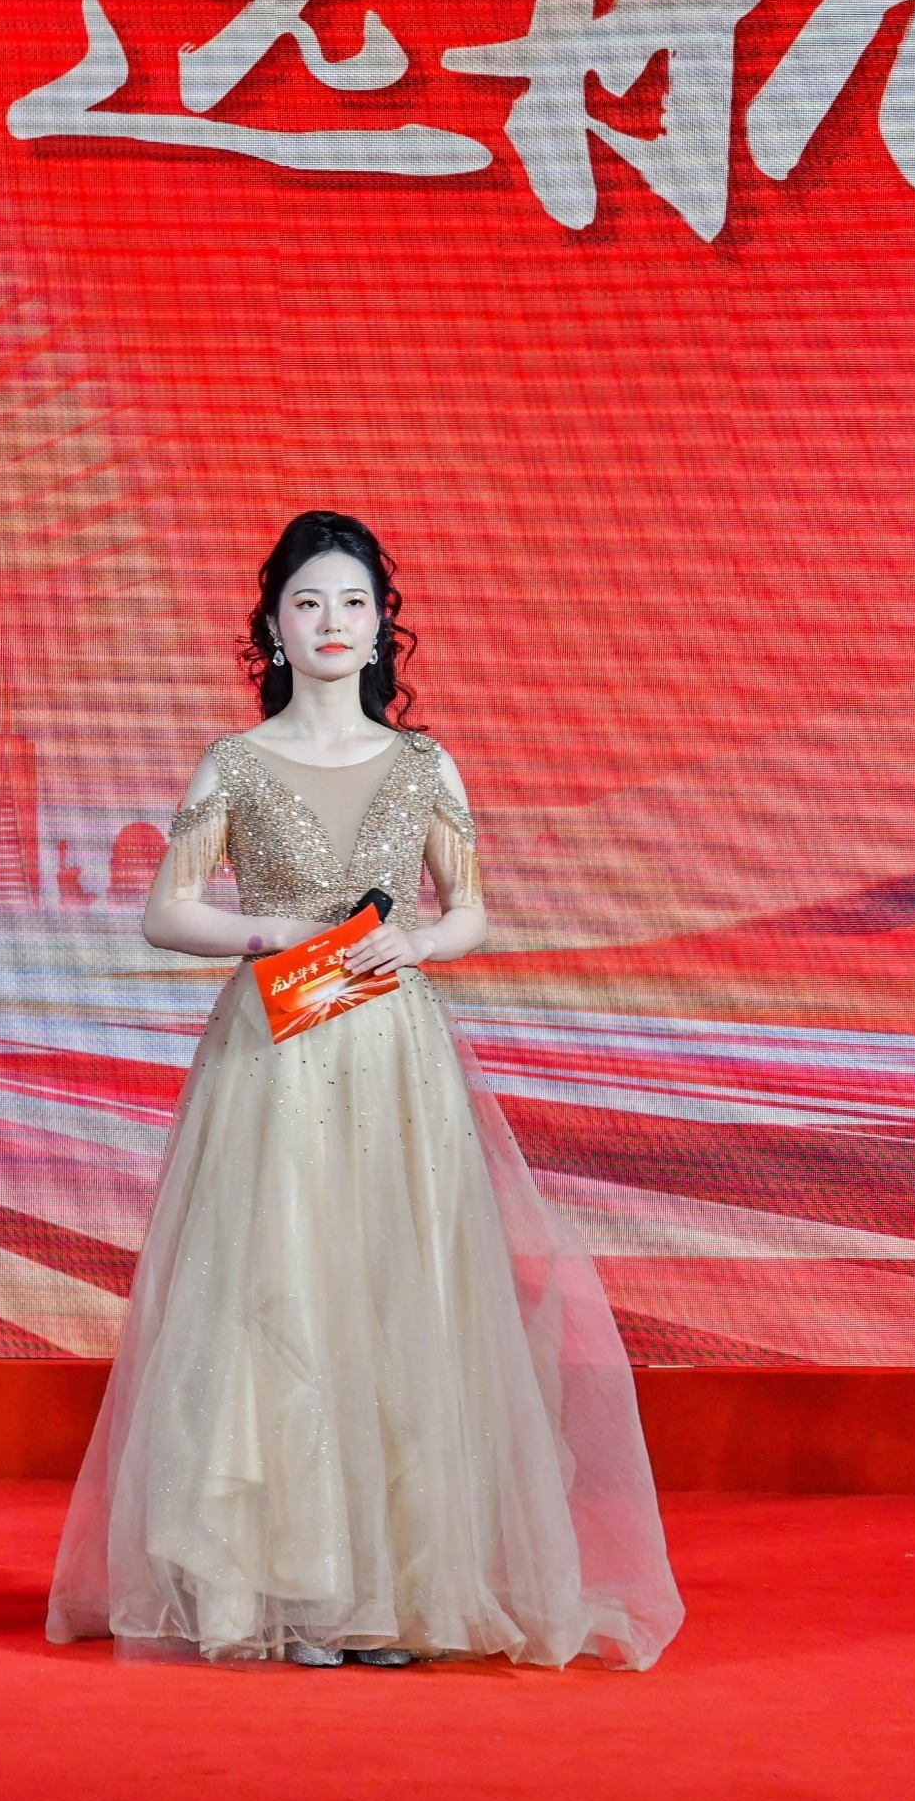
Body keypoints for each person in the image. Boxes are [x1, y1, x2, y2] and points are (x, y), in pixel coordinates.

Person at [48, 511, 681, 1669]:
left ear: (382, 626)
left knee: (399, 1293)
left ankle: (389, 1595)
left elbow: (471, 908)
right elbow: (164, 911)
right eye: (307, 604)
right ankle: (284, 1593)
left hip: (395, 1057)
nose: (331, 623)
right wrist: (270, 930)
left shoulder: (424, 764)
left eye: (352, 603)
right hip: (274, 1056)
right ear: (272, 629)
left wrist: (423, 944)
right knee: (276, 1295)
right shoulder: (233, 764)